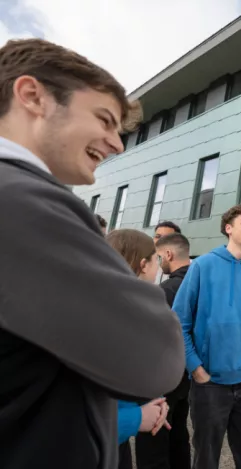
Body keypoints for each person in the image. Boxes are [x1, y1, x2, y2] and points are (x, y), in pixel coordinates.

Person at [0, 38, 184, 469]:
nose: (116, 144)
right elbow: (155, 358)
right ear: (32, 96)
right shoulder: (26, 202)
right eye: (104, 119)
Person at [173, 203, 241, 469]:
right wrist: (196, 368)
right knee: (206, 460)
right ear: (228, 228)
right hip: (209, 383)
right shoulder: (203, 266)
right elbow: (177, 322)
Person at [106, 229, 173, 469]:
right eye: (156, 259)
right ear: (143, 265)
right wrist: (135, 418)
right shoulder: (108, 313)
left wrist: (152, 402)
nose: (159, 264)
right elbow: (72, 410)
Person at [135, 233, 193, 469]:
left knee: (154, 441)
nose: (158, 264)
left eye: (159, 257)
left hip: (160, 380)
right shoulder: (205, 284)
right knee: (179, 434)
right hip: (188, 375)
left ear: (168, 254)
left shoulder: (166, 289)